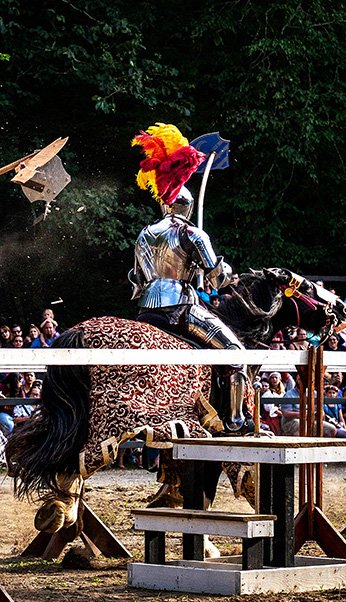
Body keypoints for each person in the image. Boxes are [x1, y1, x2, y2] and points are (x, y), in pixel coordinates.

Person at [128, 124, 246, 430]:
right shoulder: (192, 232)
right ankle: (235, 420)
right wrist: (226, 270)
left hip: (146, 309)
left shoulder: (144, 233)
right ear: (189, 207)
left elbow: (137, 278)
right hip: (180, 307)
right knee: (235, 353)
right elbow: (216, 279)